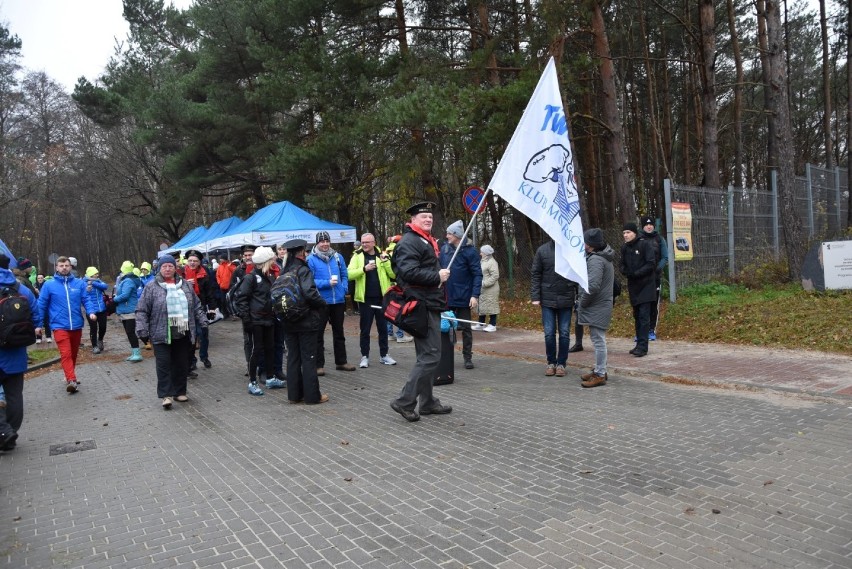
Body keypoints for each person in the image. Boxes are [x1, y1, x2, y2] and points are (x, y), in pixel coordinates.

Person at [389, 201, 452, 423]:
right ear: (413, 220)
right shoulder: (410, 242)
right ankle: (405, 401)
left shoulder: (423, 240)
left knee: (426, 354)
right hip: (421, 305)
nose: (428, 219)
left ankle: (427, 402)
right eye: (423, 216)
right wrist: (437, 276)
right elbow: (407, 272)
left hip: (428, 303)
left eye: (430, 217)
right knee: (431, 355)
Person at [136, 255, 208, 409]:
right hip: (160, 332)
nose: (167, 269)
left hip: (182, 331)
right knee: (164, 364)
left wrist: (203, 321)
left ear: (175, 268)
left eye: (170, 266)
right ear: (159, 268)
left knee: (181, 364)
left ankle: (179, 391)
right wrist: (142, 329)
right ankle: (166, 395)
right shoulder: (151, 287)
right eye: (164, 266)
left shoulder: (185, 286)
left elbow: (196, 306)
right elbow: (142, 310)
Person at [36, 256, 98, 393]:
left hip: (76, 325)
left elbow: (86, 299)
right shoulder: (49, 285)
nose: (64, 268)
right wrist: (38, 325)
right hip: (59, 325)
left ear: (70, 267)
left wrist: (91, 311)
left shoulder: (79, 284)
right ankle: (72, 380)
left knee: (74, 353)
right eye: (61, 265)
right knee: (66, 353)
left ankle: (69, 375)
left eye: (66, 265)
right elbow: (41, 305)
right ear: (56, 268)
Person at [279, 239, 329, 404]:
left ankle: (294, 395)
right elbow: (310, 293)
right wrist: (322, 304)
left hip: (288, 320)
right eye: (305, 251)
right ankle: (312, 396)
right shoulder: (303, 270)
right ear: (301, 252)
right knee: (309, 358)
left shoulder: (283, 271)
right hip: (306, 320)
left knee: (293, 358)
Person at [0, 264, 41, 452]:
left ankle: (4, 432)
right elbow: (36, 312)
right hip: (16, 350)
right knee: (15, 395)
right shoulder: (20, 287)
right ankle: (11, 433)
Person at [235, 246, 285, 396]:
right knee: (256, 351)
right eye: (272, 260)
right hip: (255, 320)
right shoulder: (250, 278)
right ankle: (252, 382)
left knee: (270, 348)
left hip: (268, 318)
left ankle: (270, 378)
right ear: (265, 261)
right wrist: (246, 320)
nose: (274, 262)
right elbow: (241, 299)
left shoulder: (268, 276)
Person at [308, 231, 355, 374]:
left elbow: (344, 275)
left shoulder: (338, 257)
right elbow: (310, 281)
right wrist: (327, 283)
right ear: (317, 243)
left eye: (327, 241)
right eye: (322, 242)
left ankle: (341, 362)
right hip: (320, 301)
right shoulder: (311, 259)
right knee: (318, 334)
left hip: (338, 300)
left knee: (339, 333)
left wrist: (344, 287)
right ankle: (318, 365)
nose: (325, 244)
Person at [347, 232, 396, 368]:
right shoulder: (357, 256)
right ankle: (365, 356)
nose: (364, 245)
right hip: (365, 299)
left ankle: (384, 355)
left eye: (367, 242)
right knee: (365, 329)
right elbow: (349, 274)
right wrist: (363, 269)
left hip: (382, 298)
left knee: (383, 328)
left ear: (374, 243)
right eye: (362, 242)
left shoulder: (383, 255)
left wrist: (386, 262)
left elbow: (393, 274)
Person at [531, 240, 578, 377]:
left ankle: (561, 364)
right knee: (549, 333)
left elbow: (577, 274)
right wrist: (535, 296)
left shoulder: (571, 250)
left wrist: (578, 295)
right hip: (547, 298)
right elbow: (536, 274)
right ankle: (551, 362)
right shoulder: (542, 250)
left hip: (566, 297)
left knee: (564, 333)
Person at [439, 220, 482, 369]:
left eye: (450, 233)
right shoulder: (444, 250)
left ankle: (467, 357)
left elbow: (477, 274)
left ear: (457, 235)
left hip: (463, 297)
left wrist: (474, 295)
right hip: (447, 297)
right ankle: (446, 355)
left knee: (465, 328)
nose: (447, 236)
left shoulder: (470, 252)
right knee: (445, 327)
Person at [577, 228, 615, 387]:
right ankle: (600, 369)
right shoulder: (602, 257)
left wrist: (582, 302)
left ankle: (600, 374)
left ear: (590, 245)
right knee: (597, 339)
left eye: (585, 242)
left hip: (597, 305)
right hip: (601, 304)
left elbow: (592, 286)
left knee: (598, 340)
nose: (583, 244)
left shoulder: (596, 260)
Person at [620, 222, 657, 357]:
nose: (626, 235)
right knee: (637, 316)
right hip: (633, 287)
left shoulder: (645, 244)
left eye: (628, 232)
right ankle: (638, 344)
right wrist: (626, 272)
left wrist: (637, 273)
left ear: (635, 233)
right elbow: (621, 265)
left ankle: (643, 346)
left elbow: (650, 263)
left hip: (646, 286)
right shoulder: (624, 247)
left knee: (644, 316)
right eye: (624, 233)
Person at [183, 250, 217, 370]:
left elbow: (210, 292)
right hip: (184, 309)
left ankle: (204, 356)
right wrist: (185, 284)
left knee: (203, 333)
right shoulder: (181, 274)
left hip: (200, 308)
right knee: (189, 336)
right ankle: (192, 360)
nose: (192, 263)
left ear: (199, 262)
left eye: (195, 261)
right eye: (190, 261)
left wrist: (212, 308)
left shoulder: (205, 273)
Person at [640, 216, 669, 340]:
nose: (649, 226)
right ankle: (641, 331)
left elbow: (665, 257)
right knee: (641, 305)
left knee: (653, 304)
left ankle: (651, 330)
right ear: (642, 226)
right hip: (641, 278)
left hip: (655, 277)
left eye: (651, 224)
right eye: (646, 225)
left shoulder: (659, 239)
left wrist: (658, 268)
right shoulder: (639, 239)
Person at [231, 244, 257, 371]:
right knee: (248, 340)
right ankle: (250, 365)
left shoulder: (260, 267)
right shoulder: (238, 271)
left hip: (259, 309)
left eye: (250, 255)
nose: (248, 257)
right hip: (245, 310)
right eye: (246, 255)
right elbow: (233, 291)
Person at [385, 235, 413, 343]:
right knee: (400, 310)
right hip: (399, 285)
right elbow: (395, 272)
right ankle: (400, 335)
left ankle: (390, 333)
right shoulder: (400, 252)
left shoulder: (386, 252)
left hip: (388, 285)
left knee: (391, 309)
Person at [113, 260, 144, 362]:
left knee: (130, 332)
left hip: (130, 310)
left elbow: (125, 295)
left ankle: (137, 353)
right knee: (129, 332)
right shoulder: (127, 280)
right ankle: (134, 352)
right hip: (125, 310)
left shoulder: (128, 281)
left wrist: (114, 299)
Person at [473, 244, 500, 332]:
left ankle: (493, 324)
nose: (480, 253)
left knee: (492, 305)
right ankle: (481, 323)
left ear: (486, 253)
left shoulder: (492, 262)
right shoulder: (483, 261)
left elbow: (495, 276)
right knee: (482, 305)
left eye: (482, 252)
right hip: (483, 288)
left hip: (491, 289)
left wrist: (484, 283)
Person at [83, 267, 109, 354]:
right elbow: (83, 295)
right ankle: (94, 346)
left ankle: (100, 339)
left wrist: (94, 283)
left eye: (97, 273)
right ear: (91, 274)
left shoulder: (98, 281)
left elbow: (105, 286)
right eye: (95, 274)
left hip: (102, 309)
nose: (97, 275)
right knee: (93, 329)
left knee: (103, 327)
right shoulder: (83, 283)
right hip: (91, 311)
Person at [34, 273, 52, 344]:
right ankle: (38, 337)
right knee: (38, 322)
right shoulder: (34, 286)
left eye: (41, 278)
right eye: (38, 278)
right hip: (37, 306)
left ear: (43, 278)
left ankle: (48, 336)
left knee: (46, 322)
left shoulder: (46, 285)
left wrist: (39, 293)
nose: (40, 279)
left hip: (46, 306)